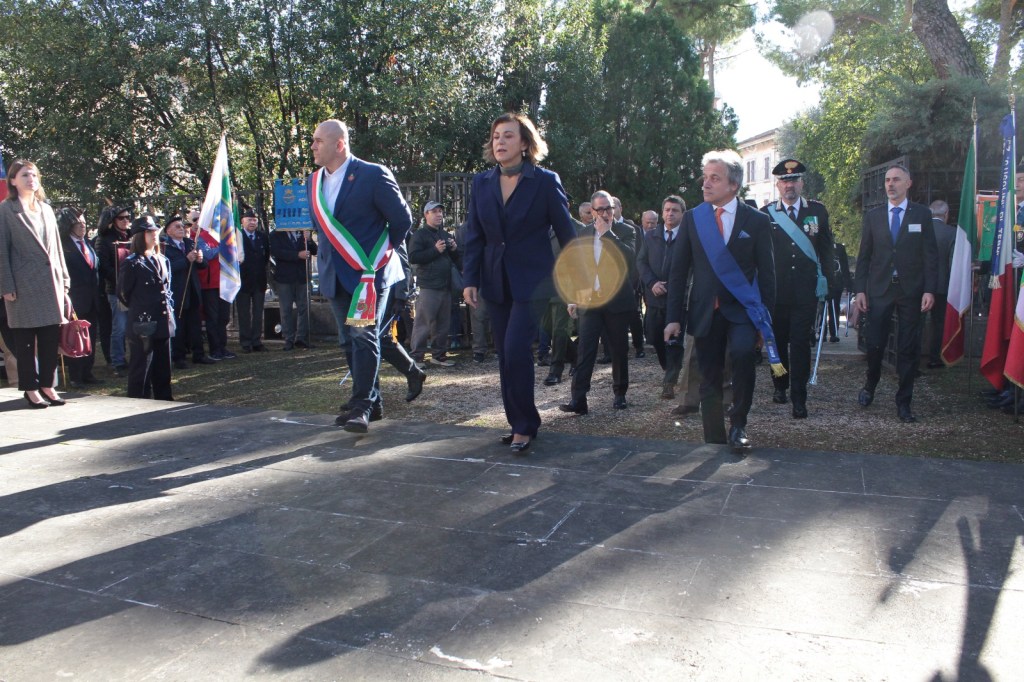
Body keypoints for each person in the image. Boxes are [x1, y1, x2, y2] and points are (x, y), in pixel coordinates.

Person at [462, 112, 576, 452]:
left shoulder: (544, 181)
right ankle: (518, 423)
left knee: (515, 350)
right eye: (496, 135)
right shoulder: (481, 183)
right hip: (495, 281)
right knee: (505, 356)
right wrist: (470, 278)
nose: (500, 141)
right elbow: (475, 235)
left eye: (508, 136)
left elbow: (567, 233)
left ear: (525, 143)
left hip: (535, 282)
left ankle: (526, 425)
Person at [664, 150, 776, 454]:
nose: (706, 183)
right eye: (705, 177)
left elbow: (767, 275)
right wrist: (673, 317)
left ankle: (738, 424)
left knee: (741, 356)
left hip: (741, 310)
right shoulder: (693, 219)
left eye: (715, 178)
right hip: (705, 311)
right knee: (709, 373)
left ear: (733, 185)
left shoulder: (757, 221)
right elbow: (678, 271)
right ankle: (713, 435)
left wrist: (766, 324)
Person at [307, 119, 413, 433]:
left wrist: (380, 256)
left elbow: (401, 219)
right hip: (334, 275)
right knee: (346, 340)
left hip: (367, 276)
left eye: (318, 141)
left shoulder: (372, 174)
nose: (313, 146)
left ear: (339, 144)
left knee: (363, 335)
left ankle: (361, 406)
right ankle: (372, 401)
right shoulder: (314, 182)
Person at [854, 164, 937, 423]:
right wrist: (860, 290)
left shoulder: (921, 215)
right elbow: (864, 257)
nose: (890, 184)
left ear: (908, 183)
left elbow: (930, 256)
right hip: (880, 290)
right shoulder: (874, 216)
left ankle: (904, 401)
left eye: (896, 180)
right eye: (888, 180)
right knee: (876, 342)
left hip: (911, 291)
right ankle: (871, 384)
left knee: (908, 347)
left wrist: (929, 289)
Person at [761, 159, 835, 419]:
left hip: (806, 291)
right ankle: (779, 384)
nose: (789, 185)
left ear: (802, 183)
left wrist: (828, 283)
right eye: (784, 181)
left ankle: (799, 396)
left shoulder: (817, 211)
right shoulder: (766, 213)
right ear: (778, 185)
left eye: (793, 180)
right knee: (778, 342)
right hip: (777, 292)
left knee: (801, 344)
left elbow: (826, 249)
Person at [0, 160, 71, 408]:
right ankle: (30, 389)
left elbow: (57, 249)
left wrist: (64, 281)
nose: (31, 179)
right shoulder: (6, 210)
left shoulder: (46, 209)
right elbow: (2, 250)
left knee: (51, 339)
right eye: (25, 175)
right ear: (13, 181)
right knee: (26, 342)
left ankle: (48, 386)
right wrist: (5, 285)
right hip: (22, 287)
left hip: (50, 285)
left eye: (34, 174)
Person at [558, 190, 635, 414]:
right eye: (599, 209)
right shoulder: (583, 234)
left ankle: (620, 393)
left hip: (617, 302)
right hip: (591, 302)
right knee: (585, 350)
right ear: (592, 212)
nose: (604, 213)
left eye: (608, 208)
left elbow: (629, 261)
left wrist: (608, 235)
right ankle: (578, 399)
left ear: (614, 209)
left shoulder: (626, 231)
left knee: (619, 350)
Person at [118, 215, 175, 400]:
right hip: (143, 322)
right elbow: (123, 294)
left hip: (163, 320)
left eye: (155, 231)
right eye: (149, 232)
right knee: (141, 368)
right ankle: (138, 400)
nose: (154, 235)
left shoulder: (163, 259)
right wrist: (141, 308)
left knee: (163, 367)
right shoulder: (133, 262)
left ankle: (164, 400)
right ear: (139, 236)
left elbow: (167, 289)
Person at [638, 195, 686, 399]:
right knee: (656, 337)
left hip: (678, 300)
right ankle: (669, 369)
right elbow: (641, 262)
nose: (670, 213)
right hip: (655, 297)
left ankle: (670, 380)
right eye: (667, 210)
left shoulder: (687, 237)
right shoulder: (651, 236)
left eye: (674, 210)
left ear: (682, 214)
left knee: (674, 340)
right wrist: (652, 283)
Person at [408, 200, 461, 367]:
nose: (439, 214)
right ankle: (417, 357)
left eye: (440, 211)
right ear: (426, 215)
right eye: (434, 211)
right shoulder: (420, 235)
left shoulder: (445, 234)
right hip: (429, 286)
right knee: (423, 323)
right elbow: (413, 257)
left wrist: (454, 250)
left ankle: (439, 355)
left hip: (445, 286)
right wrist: (434, 250)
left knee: (443, 324)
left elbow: (457, 260)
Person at [57, 207, 105, 389]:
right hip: (75, 300)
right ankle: (75, 375)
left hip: (92, 299)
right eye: (78, 224)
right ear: (69, 225)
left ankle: (87, 372)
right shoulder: (63, 247)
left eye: (84, 223)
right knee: (74, 338)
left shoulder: (88, 244)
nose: (82, 227)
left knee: (90, 337)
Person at [161, 214, 213, 368]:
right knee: (179, 325)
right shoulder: (165, 247)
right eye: (177, 227)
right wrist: (186, 260)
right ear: (168, 231)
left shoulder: (190, 243)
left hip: (193, 289)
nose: (181, 229)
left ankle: (199, 354)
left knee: (195, 324)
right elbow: (167, 267)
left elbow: (203, 265)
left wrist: (200, 260)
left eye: (182, 226)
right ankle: (179, 357)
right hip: (177, 290)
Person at [95, 205, 132, 373]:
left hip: (134, 289)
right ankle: (118, 361)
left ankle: (133, 357)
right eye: (121, 218)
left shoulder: (132, 236)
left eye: (128, 217)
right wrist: (122, 280)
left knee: (133, 326)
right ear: (112, 220)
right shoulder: (104, 239)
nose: (126, 220)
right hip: (116, 290)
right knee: (120, 327)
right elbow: (104, 267)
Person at [269, 227, 317, 351]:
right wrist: (297, 255)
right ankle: (288, 339)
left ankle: (301, 338)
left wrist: (309, 240)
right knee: (286, 309)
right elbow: (277, 252)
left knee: (304, 308)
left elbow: (314, 251)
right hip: (284, 278)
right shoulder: (275, 234)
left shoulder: (303, 232)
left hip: (301, 277)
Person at [195, 219, 236, 360]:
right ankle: (214, 349)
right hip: (209, 285)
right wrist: (224, 246)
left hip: (224, 283)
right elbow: (208, 254)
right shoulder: (202, 237)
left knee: (223, 317)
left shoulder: (225, 235)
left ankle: (223, 347)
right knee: (212, 318)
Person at [925, 200, 956, 369]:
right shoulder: (952, 232)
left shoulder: (921, 230)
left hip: (921, 285)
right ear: (946, 215)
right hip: (942, 285)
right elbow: (953, 262)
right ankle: (935, 357)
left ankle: (911, 360)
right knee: (938, 323)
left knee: (916, 322)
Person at [237, 205, 270, 353]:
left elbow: (266, 257)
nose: (252, 223)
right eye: (249, 220)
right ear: (242, 221)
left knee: (258, 312)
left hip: (259, 280)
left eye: (255, 220)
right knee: (244, 313)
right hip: (242, 280)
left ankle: (256, 340)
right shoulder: (237, 236)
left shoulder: (262, 236)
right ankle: (245, 342)